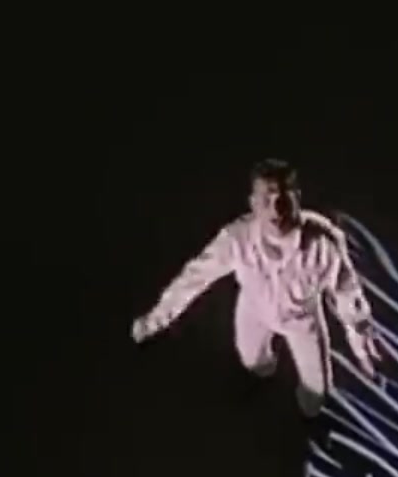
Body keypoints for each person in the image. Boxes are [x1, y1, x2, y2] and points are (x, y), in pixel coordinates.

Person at [131, 158, 383, 416]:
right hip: (253, 312)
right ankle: (263, 376)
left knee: (317, 393)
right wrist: (154, 322)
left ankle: (308, 417)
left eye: (284, 198)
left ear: (297, 198)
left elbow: (348, 293)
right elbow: (193, 279)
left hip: (302, 320)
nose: (277, 209)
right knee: (253, 361)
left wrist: (361, 345)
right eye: (267, 199)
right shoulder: (236, 239)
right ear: (253, 204)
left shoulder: (322, 245)